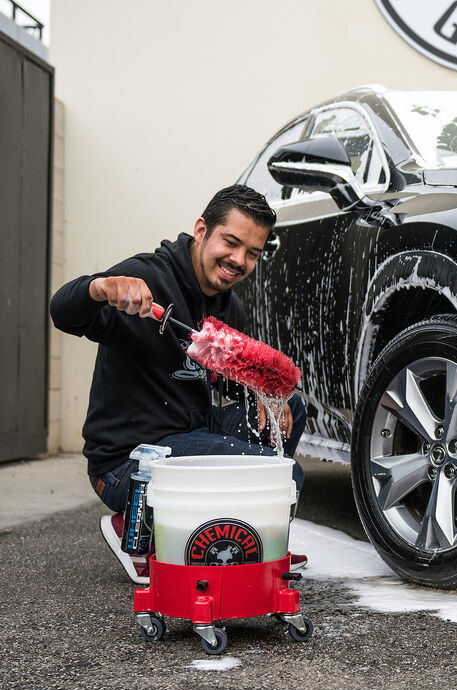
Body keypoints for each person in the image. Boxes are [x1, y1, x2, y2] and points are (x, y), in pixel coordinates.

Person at [50, 184, 306, 583]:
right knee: (280, 474)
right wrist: (99, 288)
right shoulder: (146, 278)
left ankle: (242, 532)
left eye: (252, 253)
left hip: (192, 433)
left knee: (289, 407)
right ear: (202, 229)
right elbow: (62, 312)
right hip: (129, 461)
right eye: (231, 242)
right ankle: (136, 527)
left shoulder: (227, 304)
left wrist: (263, 393)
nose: (238, 260)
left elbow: (230, 378)